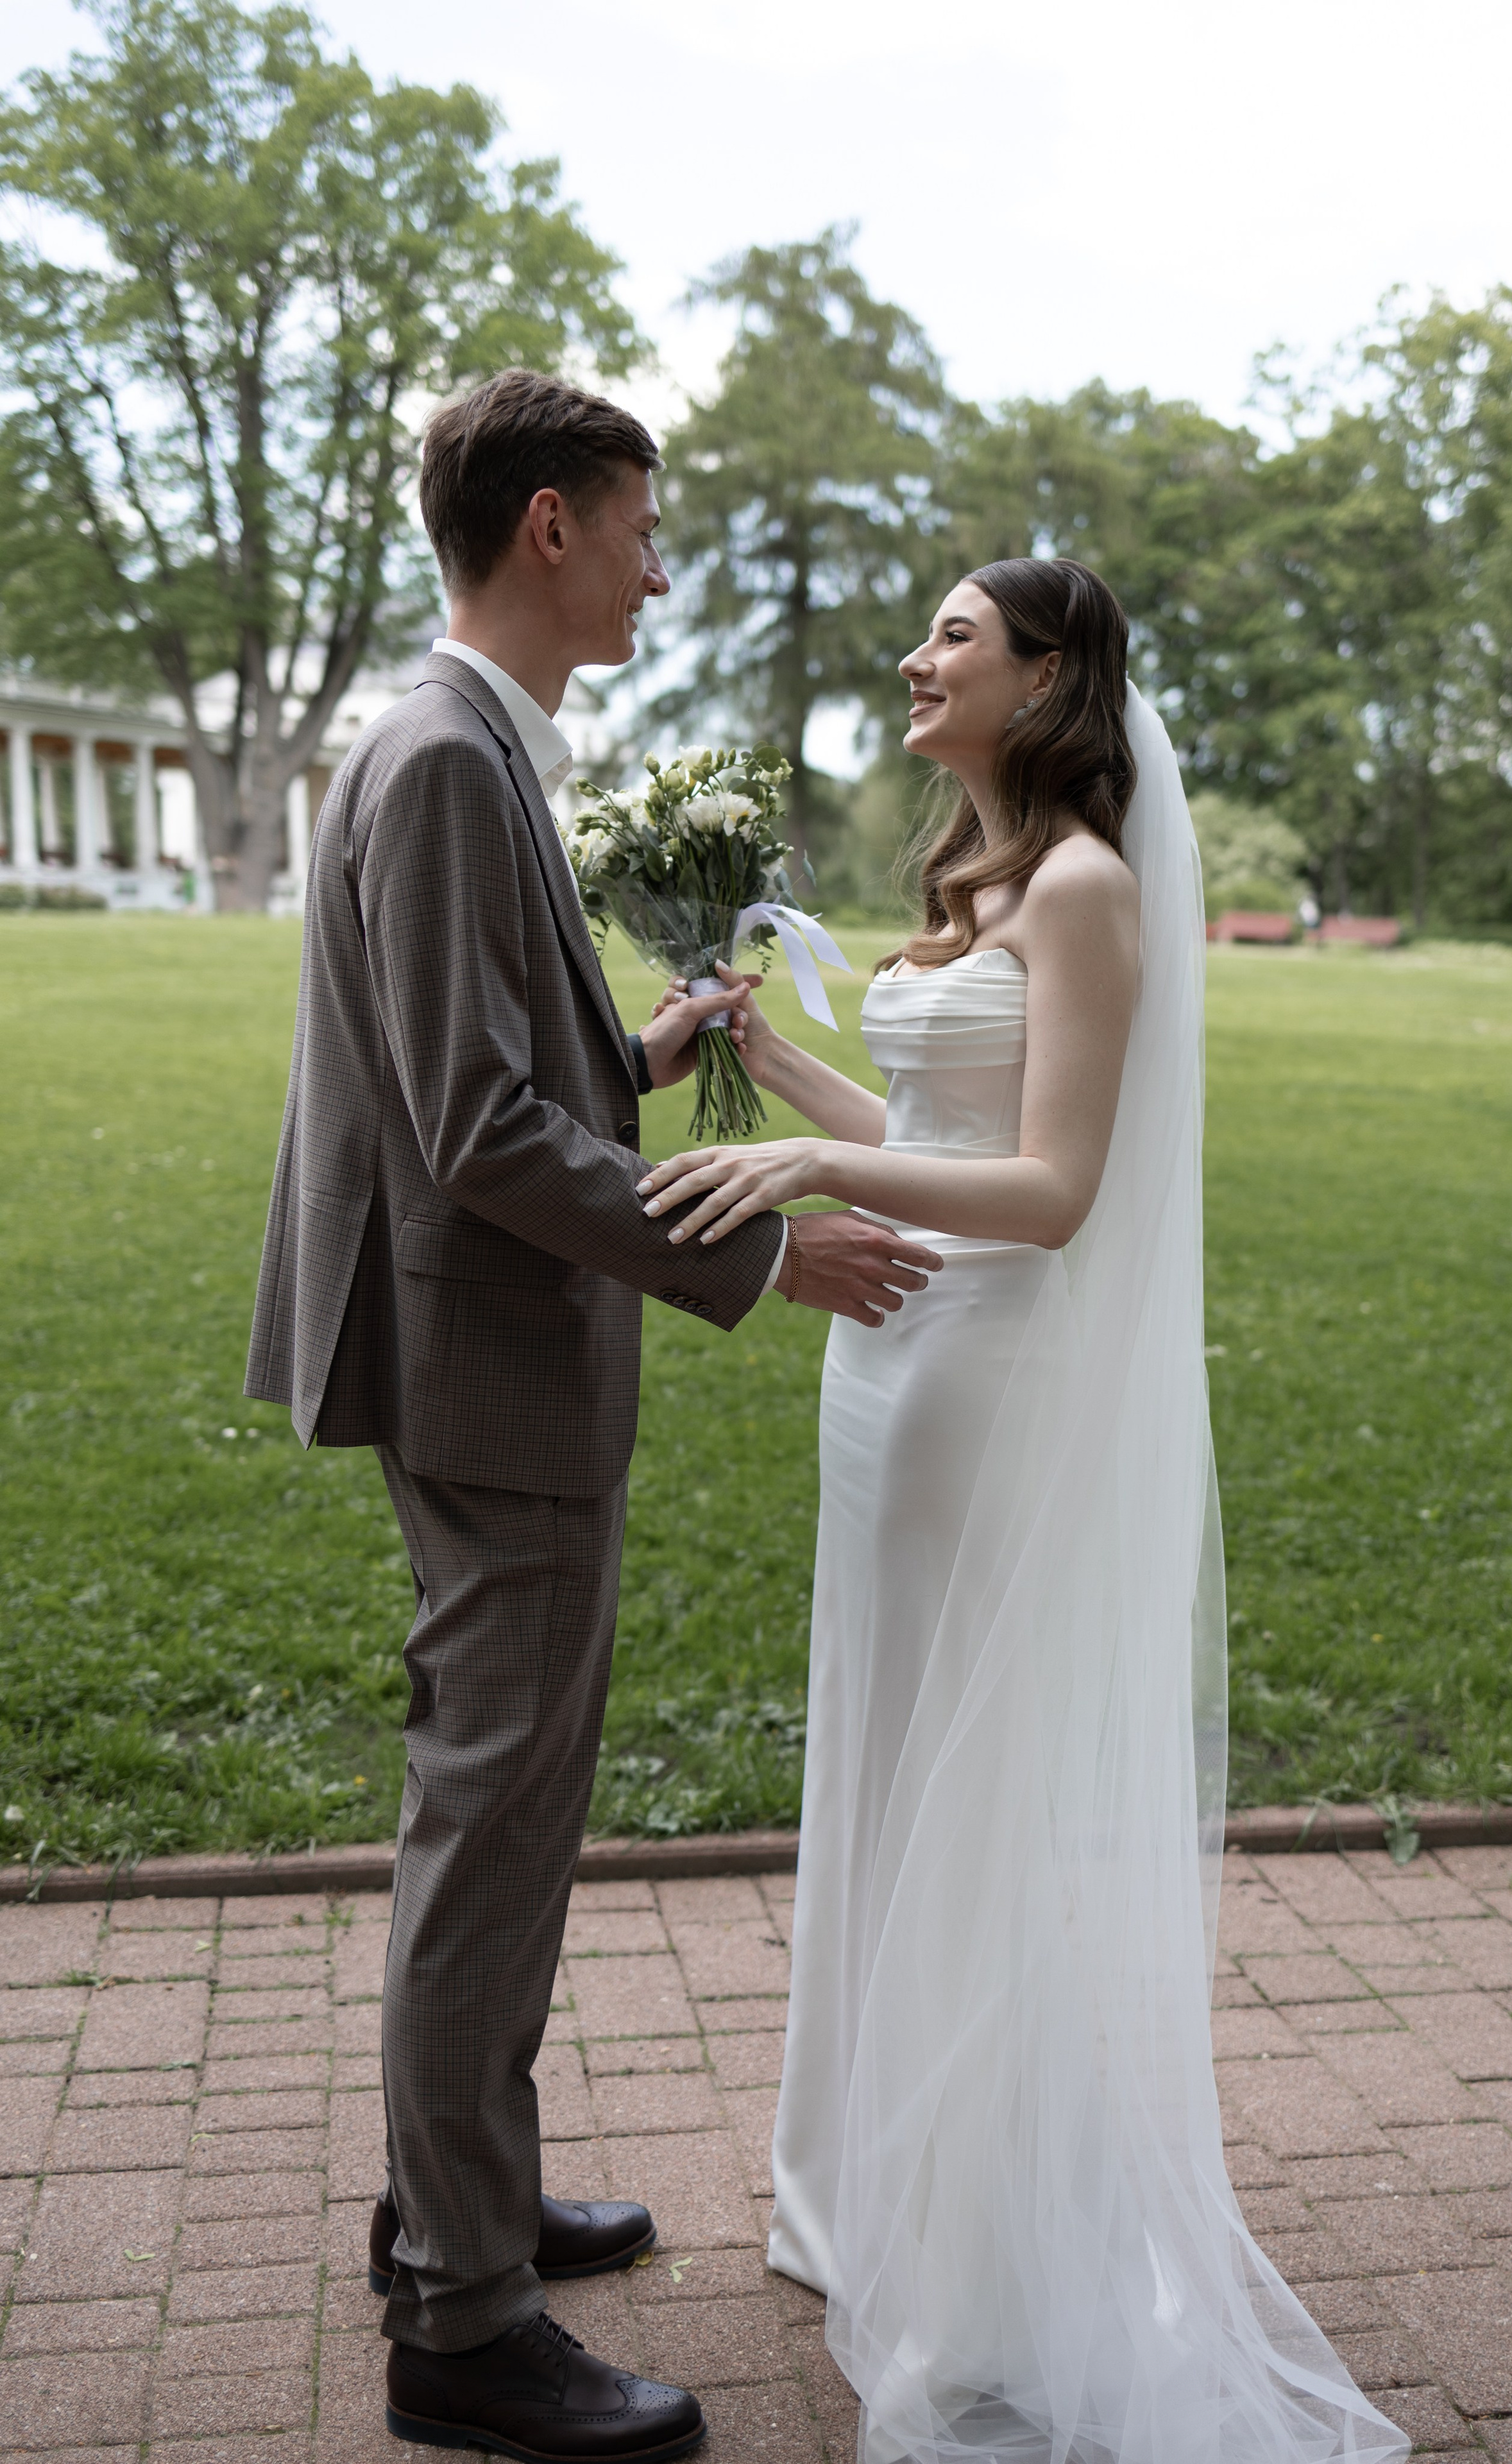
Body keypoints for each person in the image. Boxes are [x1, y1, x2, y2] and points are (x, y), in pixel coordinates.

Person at [638, 560, 1410, 2463]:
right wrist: (761, 1055)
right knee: (889, 1754)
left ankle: (976, 2252)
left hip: (984, 1374)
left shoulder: (1082, 890)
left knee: (965, 1791)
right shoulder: (980, 885)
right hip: (886, 1372)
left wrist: (811, 1154)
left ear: (1051, 676)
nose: (919, 658)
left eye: (957, 638)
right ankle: (864, 2193)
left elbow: (1054, 1188)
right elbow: (933, 1139)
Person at [244, 367, 942, 2464]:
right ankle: (462, 2320)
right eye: (642, 523)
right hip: (495, 1361)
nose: (659, 561)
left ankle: (450, 2198)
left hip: (468, 1342)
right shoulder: (455, 761)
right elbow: (468, 1128)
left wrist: (637, 1051)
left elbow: (478, 1070)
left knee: (505, 1810)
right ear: (548, 525)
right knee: (496, 1822)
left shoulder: (454, 744)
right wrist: (755, 1249)